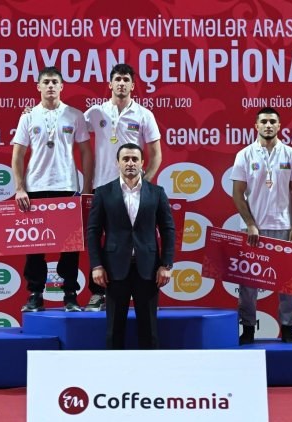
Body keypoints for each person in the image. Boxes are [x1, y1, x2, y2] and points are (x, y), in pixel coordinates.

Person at [11, 66, 94, 312]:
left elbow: (86, 152)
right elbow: (18, 155)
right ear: (38, 86)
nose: (50, 86)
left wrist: (87, 186)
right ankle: (35, 294)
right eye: (46, 82)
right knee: (34, 247)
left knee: (70, 246)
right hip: (35, 187)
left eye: (54, 82)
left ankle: (70, 295)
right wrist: (19, 188)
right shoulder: (28, 116)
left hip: (67, 186)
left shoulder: (75, 115)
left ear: (61, 87)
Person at [82, 63, 163, 312]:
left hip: (133, 188)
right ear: (110, 83)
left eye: (126, 79)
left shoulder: (144, 114)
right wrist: (31, 114)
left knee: (133, 237)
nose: (121, 83)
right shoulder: (95, 112)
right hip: (102, 187)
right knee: (99, 238)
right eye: (117, 79)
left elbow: (156, 154)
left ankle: (139, 291)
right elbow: (69, 125)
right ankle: (98, 293)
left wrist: (145, 183)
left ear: (132, 85)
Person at [86, 143, 175, 349]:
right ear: (117, 163)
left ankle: (149, 368)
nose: (130, 163)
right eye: (125, 159)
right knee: (114, 329)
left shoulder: (157, 192)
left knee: (149, 329)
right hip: (114, 269)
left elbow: (168, 230)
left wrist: (166, 264)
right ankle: (114, 368)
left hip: (149, 269)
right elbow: (93, 232)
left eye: (135, 159)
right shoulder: (103, 193)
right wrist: (97, 266)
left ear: (142, 163)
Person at [230, 107, 292, 345]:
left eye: (273, 121)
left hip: (284, 226)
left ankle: (288, 328)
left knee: (288, 282)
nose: (268, 125)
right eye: (264, 121)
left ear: (280, 126)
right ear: (256, 126)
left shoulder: (291, 154)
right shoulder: (244, 155)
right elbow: (238, 193)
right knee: (248, 284)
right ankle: (248, 329)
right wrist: (250, 224)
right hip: (253, 229)